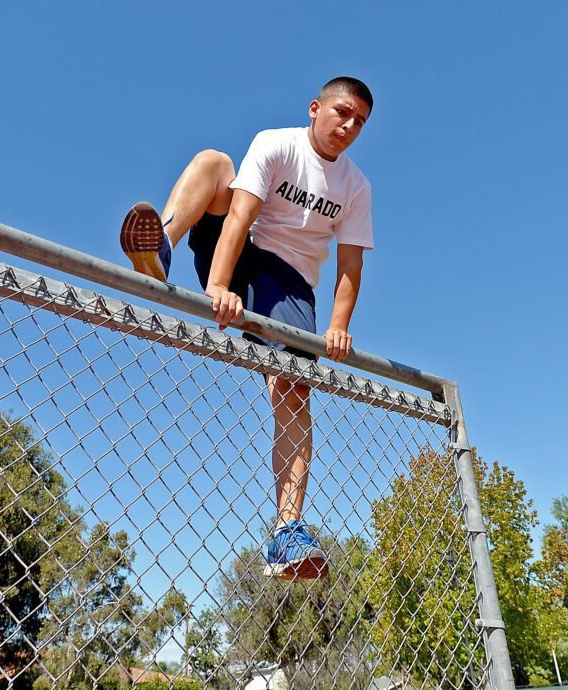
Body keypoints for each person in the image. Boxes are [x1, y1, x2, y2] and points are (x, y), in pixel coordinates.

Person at [120, 77, 374, 580]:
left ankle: (287, 533)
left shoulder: (355, 187)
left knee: (294, 391)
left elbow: (350, 267)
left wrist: (339, 327)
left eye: (360, 122)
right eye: (342, 112)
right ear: (315, 108)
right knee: (215, 163)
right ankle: (158, 253)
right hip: (238, 251)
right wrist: (218, 284)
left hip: (291, 282)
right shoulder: (276, 143)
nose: (349, 126)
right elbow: (238, 216)